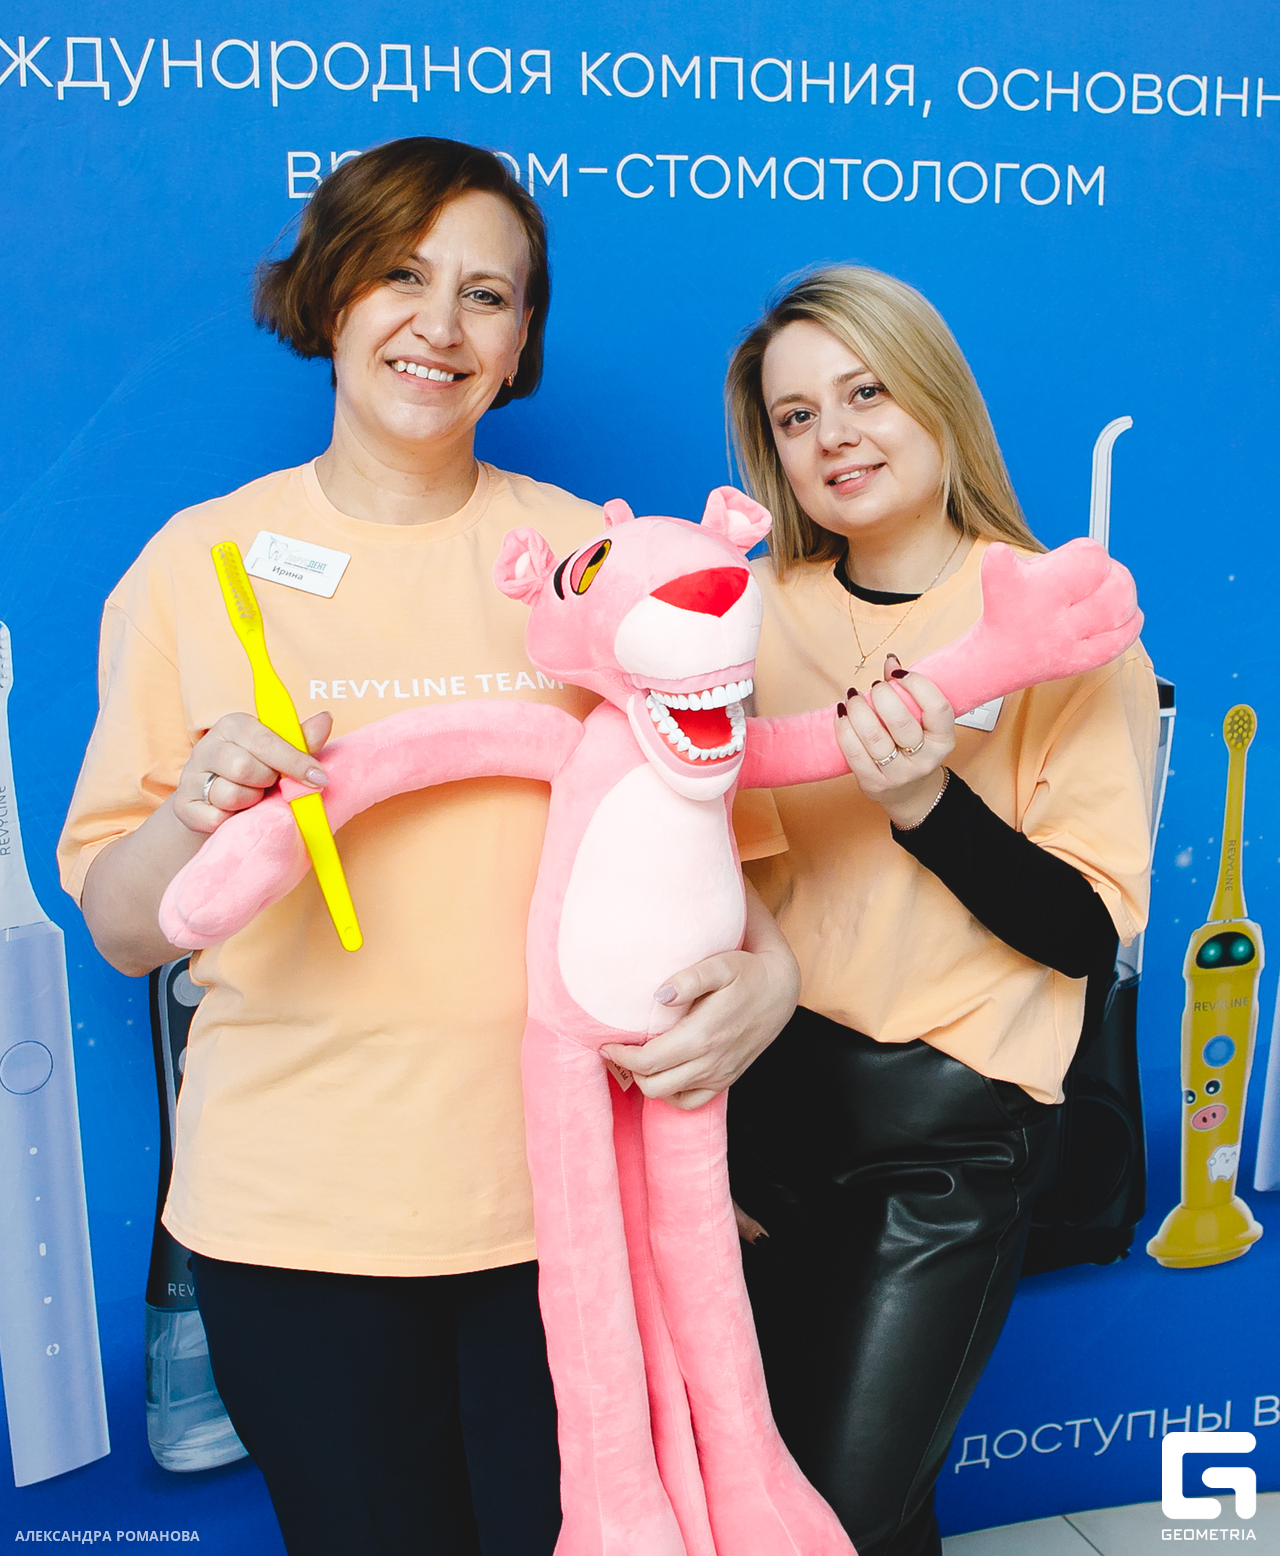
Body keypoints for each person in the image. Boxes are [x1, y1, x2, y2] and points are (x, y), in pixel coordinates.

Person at [58, 137, 799, 1556]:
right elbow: (123, 927)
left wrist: (768, 986)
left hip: (566, 1205)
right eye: (402, 275)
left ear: (519, 345)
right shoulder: (196, 565)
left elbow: (718, 853)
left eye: (487, 295)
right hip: (293, 1221)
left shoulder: (595, 564)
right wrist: (195, 810)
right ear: (332, 293)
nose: (440, 325)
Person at [723, 265, 1158, 1556]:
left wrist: (928, 805)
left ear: (936, 398)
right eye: (796, 416)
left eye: (865, 392)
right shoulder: (748, 622)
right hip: (766, 1113)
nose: (834, 435)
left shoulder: (1060, 626)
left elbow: (1087, 933)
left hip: (944, 1145)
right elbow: (715, 896)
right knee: (837, 1499)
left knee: (826, 1521)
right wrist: (708, 1146)